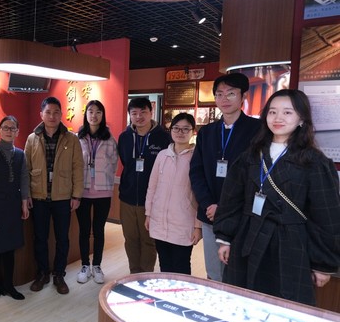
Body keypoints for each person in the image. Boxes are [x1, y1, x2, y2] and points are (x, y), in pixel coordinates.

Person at [214, 89, 340, 305]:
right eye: (272, 112)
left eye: (287, 112)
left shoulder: (314, 162)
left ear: (302, 119)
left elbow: (326, 216)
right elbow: (232, 199)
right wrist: (225, 238)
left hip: (290, 244)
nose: (278, 118)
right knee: (242, 302)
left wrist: (322, 263)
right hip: (248, 237)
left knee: (284, 307)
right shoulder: (251, 155)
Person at [189, 73, 260, 281]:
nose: (224, 99)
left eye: (231, 94)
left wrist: (226, 208)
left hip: (241, 215)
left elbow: (257, 176)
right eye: (219, 94)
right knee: (214, 271)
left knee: (238, 273)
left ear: (243, 96)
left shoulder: (258, 130)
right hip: (211, 214)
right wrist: (208, 204)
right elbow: (196, 172)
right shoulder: (207, 132)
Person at [25, 96, 84, 295]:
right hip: (39, 197)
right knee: (40, 238)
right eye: (48, 112)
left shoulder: (71, 139)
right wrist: (27, 194)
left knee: (62, 239)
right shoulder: (32, 138)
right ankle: (42, 273)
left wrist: (76, 195)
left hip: (63, 197)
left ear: (61, 114)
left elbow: (78, 167)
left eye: (56, 112)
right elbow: (26, 168)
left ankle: (59, 274)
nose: (52, 116)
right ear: (41, 114)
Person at [117, 97, 170, 274]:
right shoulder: (124, 137)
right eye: (134, 113)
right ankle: (134, 272)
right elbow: (125, 162)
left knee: (148, 240)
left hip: (152, 200)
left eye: (143, 112)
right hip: (127, 198)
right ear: (130, 115)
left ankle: (146, 275)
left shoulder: (163, 138)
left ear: (151, 112)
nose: (139, 117)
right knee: (130, 239)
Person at [145, 113, 201, 275]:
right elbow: (152, 187)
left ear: (193, 132)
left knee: (181, 267)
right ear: (170, 130)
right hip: (159, 220)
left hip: (183, 223)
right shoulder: (162, 155)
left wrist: (198, 226)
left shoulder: (197, 157)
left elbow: (200, 195)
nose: (180, 132)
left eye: (185, 129)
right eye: (176, 128)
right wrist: (148, 214)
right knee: (164, 265)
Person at [0, 116, 30, 300]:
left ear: (17, 132)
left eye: (13, 128)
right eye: (6, 128)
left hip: (13, 206)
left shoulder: (21, 155)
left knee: (10, 247)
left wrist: (24, 202)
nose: (9, 131)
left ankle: (9, 284)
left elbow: (24, 179)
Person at [75, 100, 118, 284]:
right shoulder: (78, 137)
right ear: (86, 114)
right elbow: (74, 163)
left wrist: (105, 178)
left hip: (103, 192)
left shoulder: (109, 139)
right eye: (90, 111)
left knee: (99, 230)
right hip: (83, 191)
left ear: (103, 115)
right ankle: (85, 265)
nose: (94, 115)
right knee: (84, 230)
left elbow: (114, 163)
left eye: (98, 112)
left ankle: (97, 265)